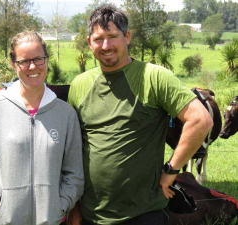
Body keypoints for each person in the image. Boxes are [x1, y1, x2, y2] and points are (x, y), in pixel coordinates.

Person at [67, 6, 213, 225]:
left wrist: (171, 170)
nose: (106, 46)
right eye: (98, 39)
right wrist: (75, 209)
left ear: (127, 37)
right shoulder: (80, 85)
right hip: (92, 214)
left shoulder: (153, 77)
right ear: (89, 42)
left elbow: (201, 119)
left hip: (144, 214)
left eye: (112, 37)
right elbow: (72, 150)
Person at [0, 31, 84, 225]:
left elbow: (75, 173)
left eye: (38, 59)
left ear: (46, 60)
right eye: (24, 61)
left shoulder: (66, 114)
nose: (32, 67)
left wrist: (60, 206)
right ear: (13, 64)